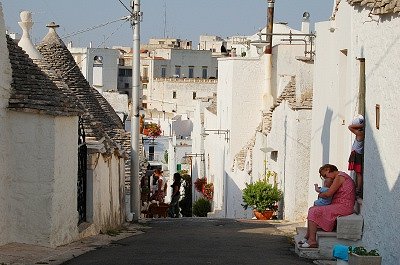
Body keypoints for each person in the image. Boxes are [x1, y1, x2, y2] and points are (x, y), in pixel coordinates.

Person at [299, 164, 355, 248]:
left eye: (325, 175)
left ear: (328, 169)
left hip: (344, 206)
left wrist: (321, 194)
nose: (326, 178)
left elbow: (328, 194)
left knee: (313, 211)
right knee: (313, 209)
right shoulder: (339, 177)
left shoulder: (340, 177)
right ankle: (308, 236)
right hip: (339, 205)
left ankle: (312, 241)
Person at [348, 114, 365, 198]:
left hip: (357, 155)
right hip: (356, 154)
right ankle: (357, 188)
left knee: (358, 173)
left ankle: (358, 189)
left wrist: (361, 125)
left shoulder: (359, 133)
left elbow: (350, 127)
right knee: (356, 172)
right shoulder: (359, 133)